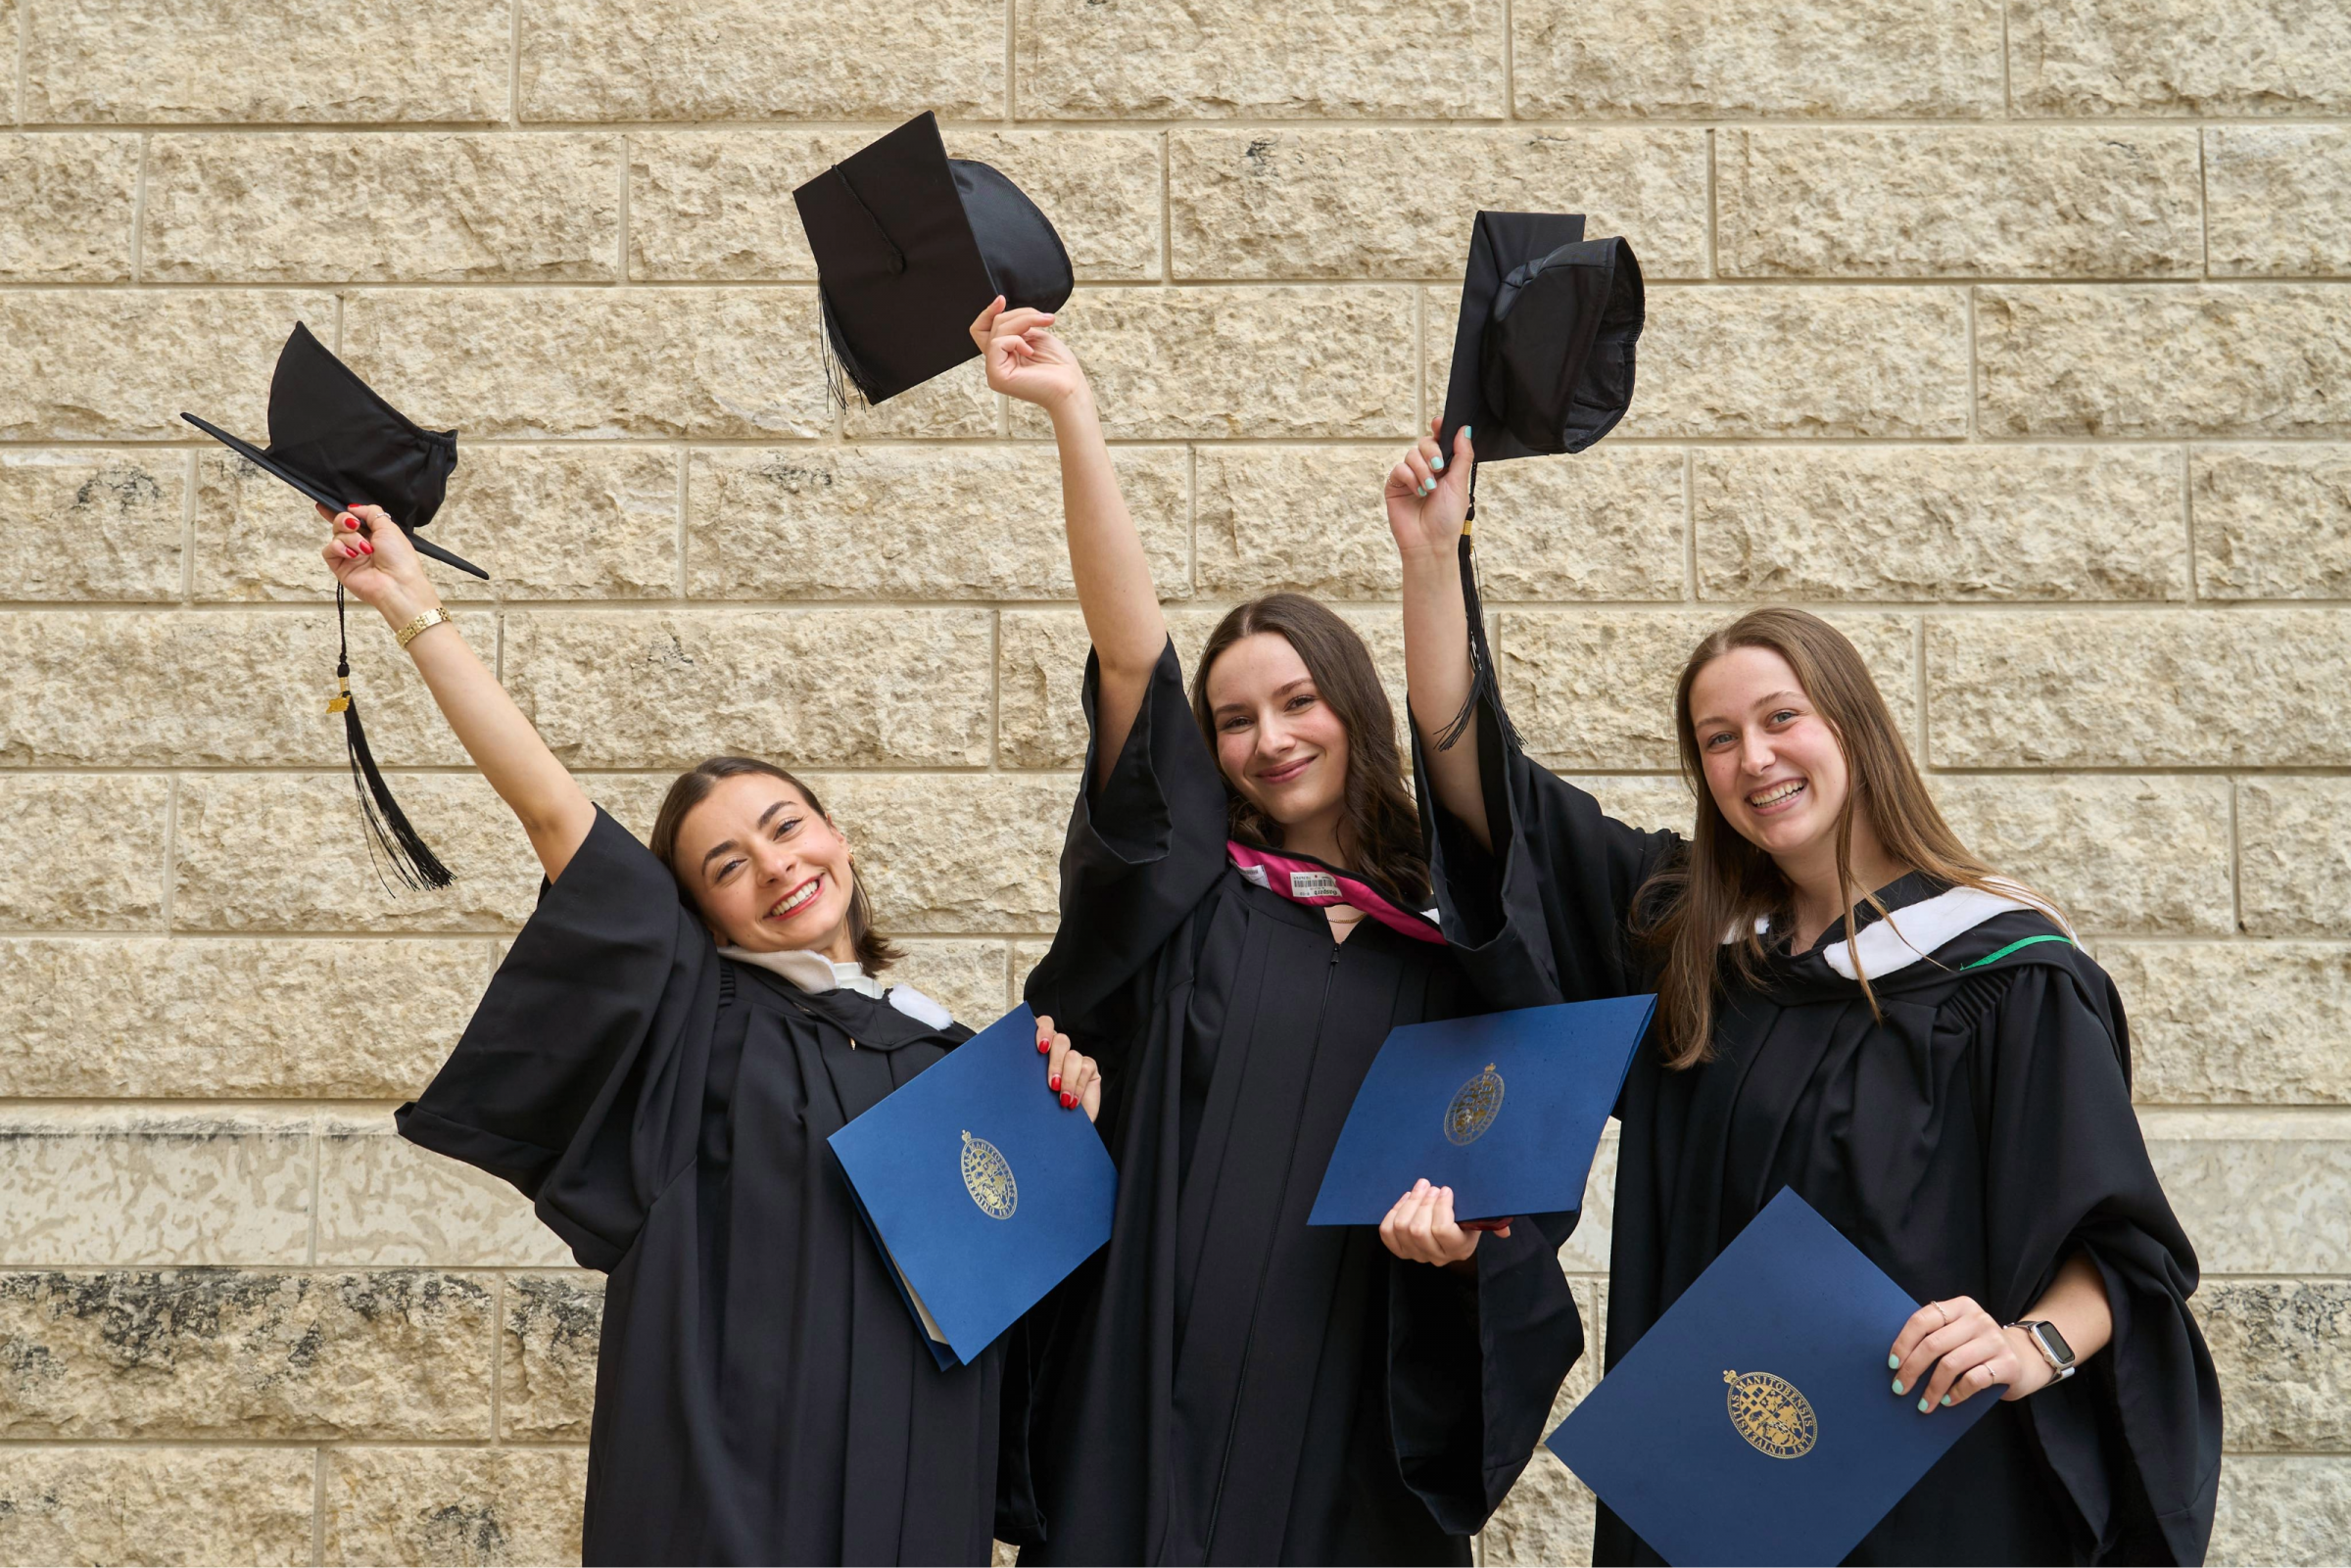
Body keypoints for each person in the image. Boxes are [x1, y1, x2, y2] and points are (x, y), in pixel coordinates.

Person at [1376, 422, 2223, 1566]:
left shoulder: (2005, 974)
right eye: (1717, 740)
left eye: (1782, 719)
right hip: (1714, 1489)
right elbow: (1488, 797)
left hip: (1928, 1480)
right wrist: (1433, 562)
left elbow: (2122, 1249)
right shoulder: (1694, 946)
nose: (1753, 758)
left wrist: (2033, 1344)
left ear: (1852, 728)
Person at [317, 501, 1100, 1566]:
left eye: (786, 827)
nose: (775, 865)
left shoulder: (962, 1061)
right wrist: (412, 607)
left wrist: (1065, 1117)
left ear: (839, 837)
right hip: (729, 1482)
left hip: (918, 1471)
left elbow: (1035, 1304)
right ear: (699, 914)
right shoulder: (699, 1020)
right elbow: (556, 816)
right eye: (726, 865)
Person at [972, 304, 1575, 1565]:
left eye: (1299, 700)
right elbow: (1133, 661)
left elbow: (1515, 1173)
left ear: (1352, 707)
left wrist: (1464, 1251)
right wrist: (1074, 415)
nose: (1269, 738)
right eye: (1236, 718)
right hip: (1151, 1392)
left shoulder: (1446, 941)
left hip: (1350, 1404)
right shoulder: (1195, 899)